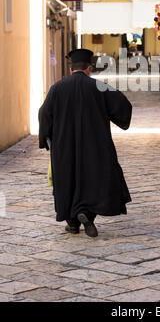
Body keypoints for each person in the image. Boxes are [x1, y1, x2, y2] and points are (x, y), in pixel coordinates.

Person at [38, 48, 132, 238]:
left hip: (64, 147)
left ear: (71, 69)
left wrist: (45, 137)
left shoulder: (57, 88)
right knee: (93, 178)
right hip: (94, 145)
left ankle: (72, 222)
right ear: (89, 68)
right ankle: (86, 214)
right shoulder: (99, 87)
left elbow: (43, 113)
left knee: (67, 179)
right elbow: (123, 105)